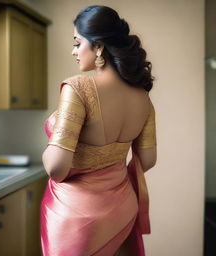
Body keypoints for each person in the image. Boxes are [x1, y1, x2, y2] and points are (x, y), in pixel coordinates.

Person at [40, 5, 156, 256]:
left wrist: (49, 150)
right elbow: (147, 159)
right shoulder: (142, 98)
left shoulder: (78, 88)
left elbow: (56, 169)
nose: (74, 51)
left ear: (99, 46)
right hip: (122, 207)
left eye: (77, 42)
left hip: (77, 217)